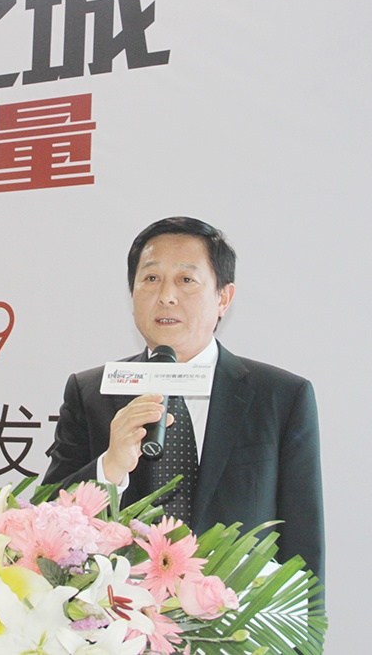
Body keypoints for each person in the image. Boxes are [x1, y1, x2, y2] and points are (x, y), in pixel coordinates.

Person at [42, 217, 324, 586]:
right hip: (116, 614)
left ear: (223, 298)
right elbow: (46, 522)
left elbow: (303, 547)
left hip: (238, 617)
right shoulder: (92, 392)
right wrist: (109, 468)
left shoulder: (281, 396)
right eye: (151, 278)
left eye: (186, 280)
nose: (166, 296)